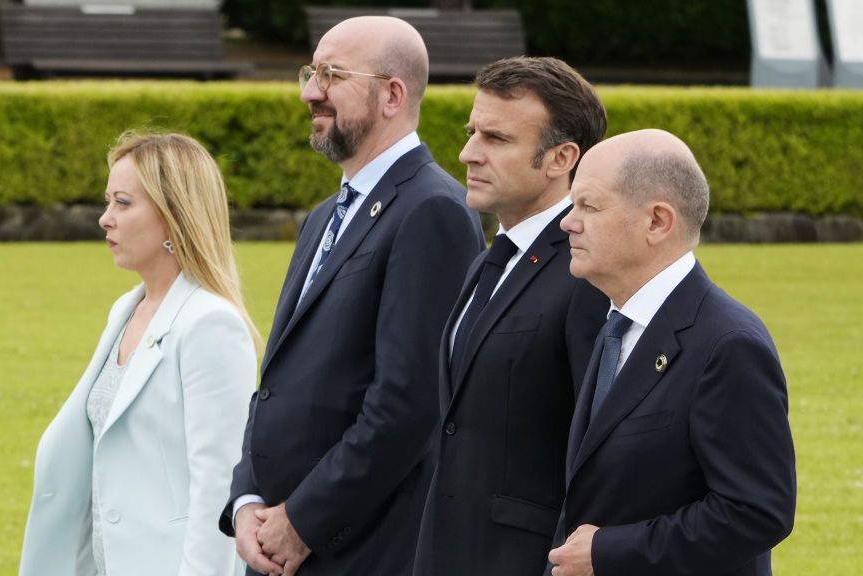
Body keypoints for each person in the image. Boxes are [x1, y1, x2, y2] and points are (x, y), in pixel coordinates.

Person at [219, 16, 484, 576]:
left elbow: (409, 403)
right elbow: (280, 381)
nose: (309, 92)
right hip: (274, 541)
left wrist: (304, 522)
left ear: (392, 95)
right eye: (311, 72)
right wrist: (247, 500)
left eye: (331, 74)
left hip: (357, 550)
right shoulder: (323, 217)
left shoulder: (433, 210)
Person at [547, 129, 796, 576]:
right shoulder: (613, 326)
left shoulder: (728, 344)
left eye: (589, 205)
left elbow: (757, 511)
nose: (568, 221)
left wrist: (610, 552)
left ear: (658, 222)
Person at [20, 132, 258, 576]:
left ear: (174, 215)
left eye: (123, 203)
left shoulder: (210, 325)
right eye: (107, 202)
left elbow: (218, 490)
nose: (105, 219)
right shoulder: (125, 310)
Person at [412, 56, 609, 576]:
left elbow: (600, 451)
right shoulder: (492, 258)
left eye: (496, 140)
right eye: (471, 131)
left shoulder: (589, 273)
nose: (467, 153)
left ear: (561, 157)